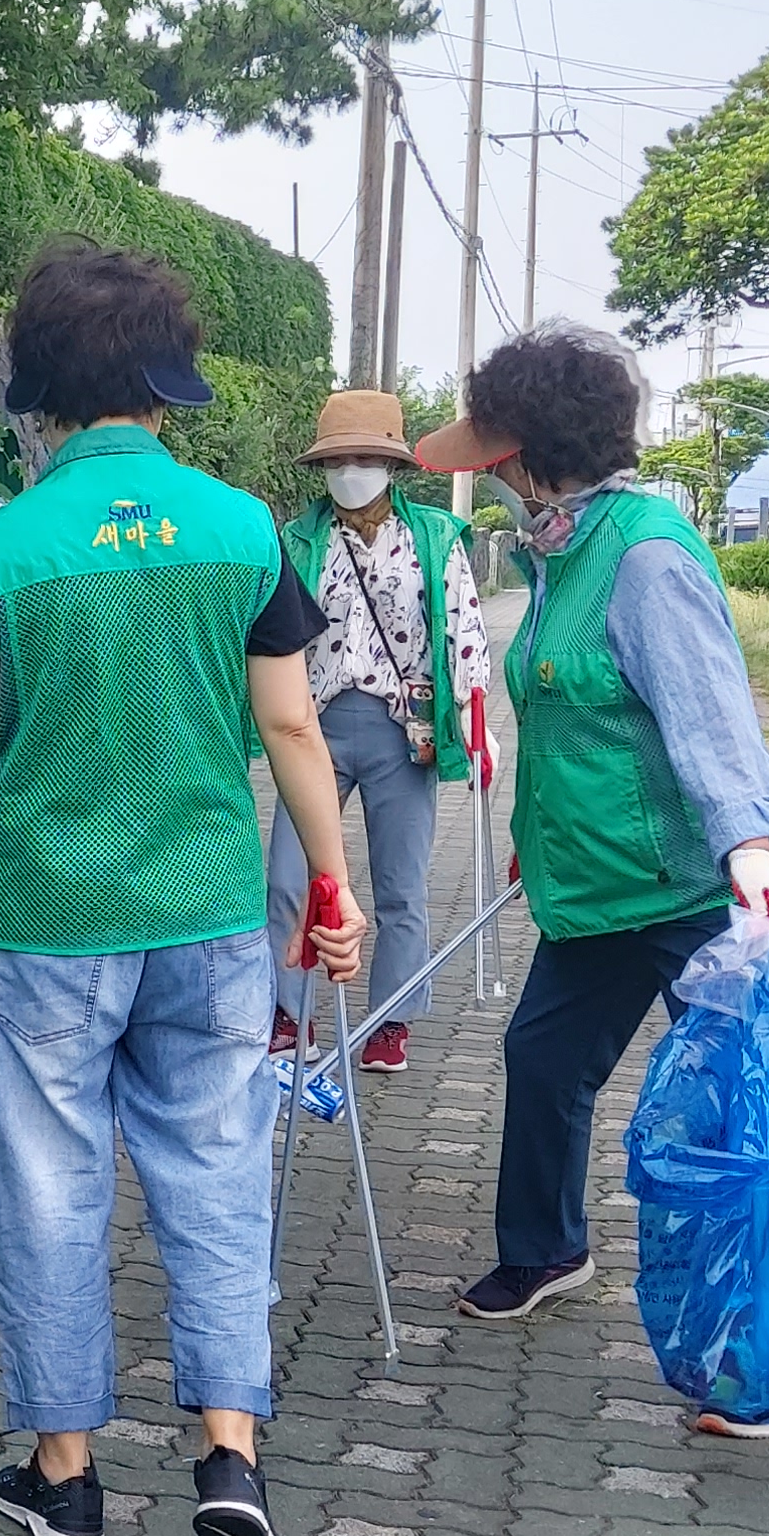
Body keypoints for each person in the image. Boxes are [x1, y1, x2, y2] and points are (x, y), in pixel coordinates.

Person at [0, 242, 370, 1536]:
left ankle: (65, 1481)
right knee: (216, 1171)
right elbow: (291, 726)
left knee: (46, 1186)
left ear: (40, 390)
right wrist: (332, 887)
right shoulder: (243, 532)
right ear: (165, 388)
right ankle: (232, 1452)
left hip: (43, 920)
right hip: (211, 914)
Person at [412, 326, 769, 1354]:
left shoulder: (643, 557)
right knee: (542, 1055)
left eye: (498, 458)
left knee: (727, 1111)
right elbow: (578, 718)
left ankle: (760, 1350)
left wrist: (750, 851)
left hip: (694, 891)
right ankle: (547, 1247)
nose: (491, 477)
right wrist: (534, 836)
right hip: (601, 885)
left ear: (536, 456)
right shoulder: (564, 550)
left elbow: (708, 719)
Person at [264, 389, 494, 1073]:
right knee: (288, 878)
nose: (351, 471)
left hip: (404, 731)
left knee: (400, 886)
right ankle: (288, 1011)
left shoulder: (431, 537)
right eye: (338, 459)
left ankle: (392, 1020)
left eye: (365, 457)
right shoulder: (297, 539)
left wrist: (479, 725)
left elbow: (465, 629)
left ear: (393, 464)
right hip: (313, 727)